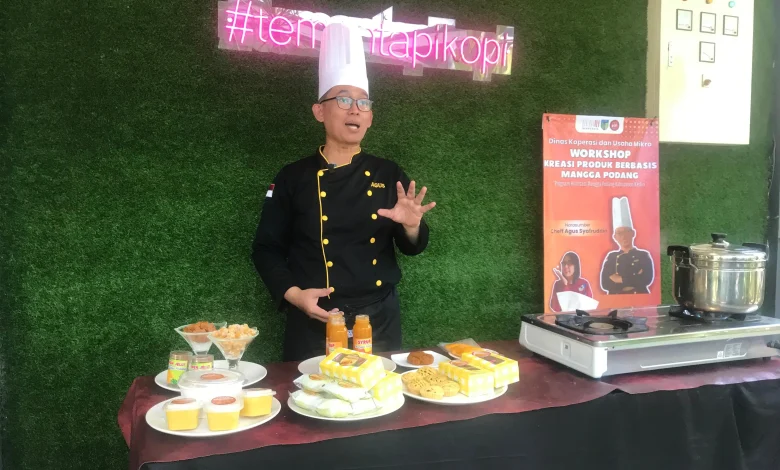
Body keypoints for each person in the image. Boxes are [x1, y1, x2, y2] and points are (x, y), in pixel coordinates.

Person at [251, 22, 436, 362]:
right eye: (344, 99)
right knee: (311, 394)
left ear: (370, 118)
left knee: (380, 392)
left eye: (363, 103)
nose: (355, 109)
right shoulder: (293, 177)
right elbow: (266, 249)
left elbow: (413, 247)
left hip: (378, 319)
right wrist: (294, 295)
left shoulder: (388, 173)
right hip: (314, 320)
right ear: (319, 111)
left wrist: (411, 227)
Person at [600, 196, 653, 295]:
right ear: (615, 237)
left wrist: (619, 279)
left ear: (633, 233)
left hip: (639, 296)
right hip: (615, 298)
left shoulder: (643, 255)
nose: (623, 236)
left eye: (626, 232)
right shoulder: (611, 256)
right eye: (619, 233)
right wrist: (634, 278)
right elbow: (605, 284)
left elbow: (646, 279)